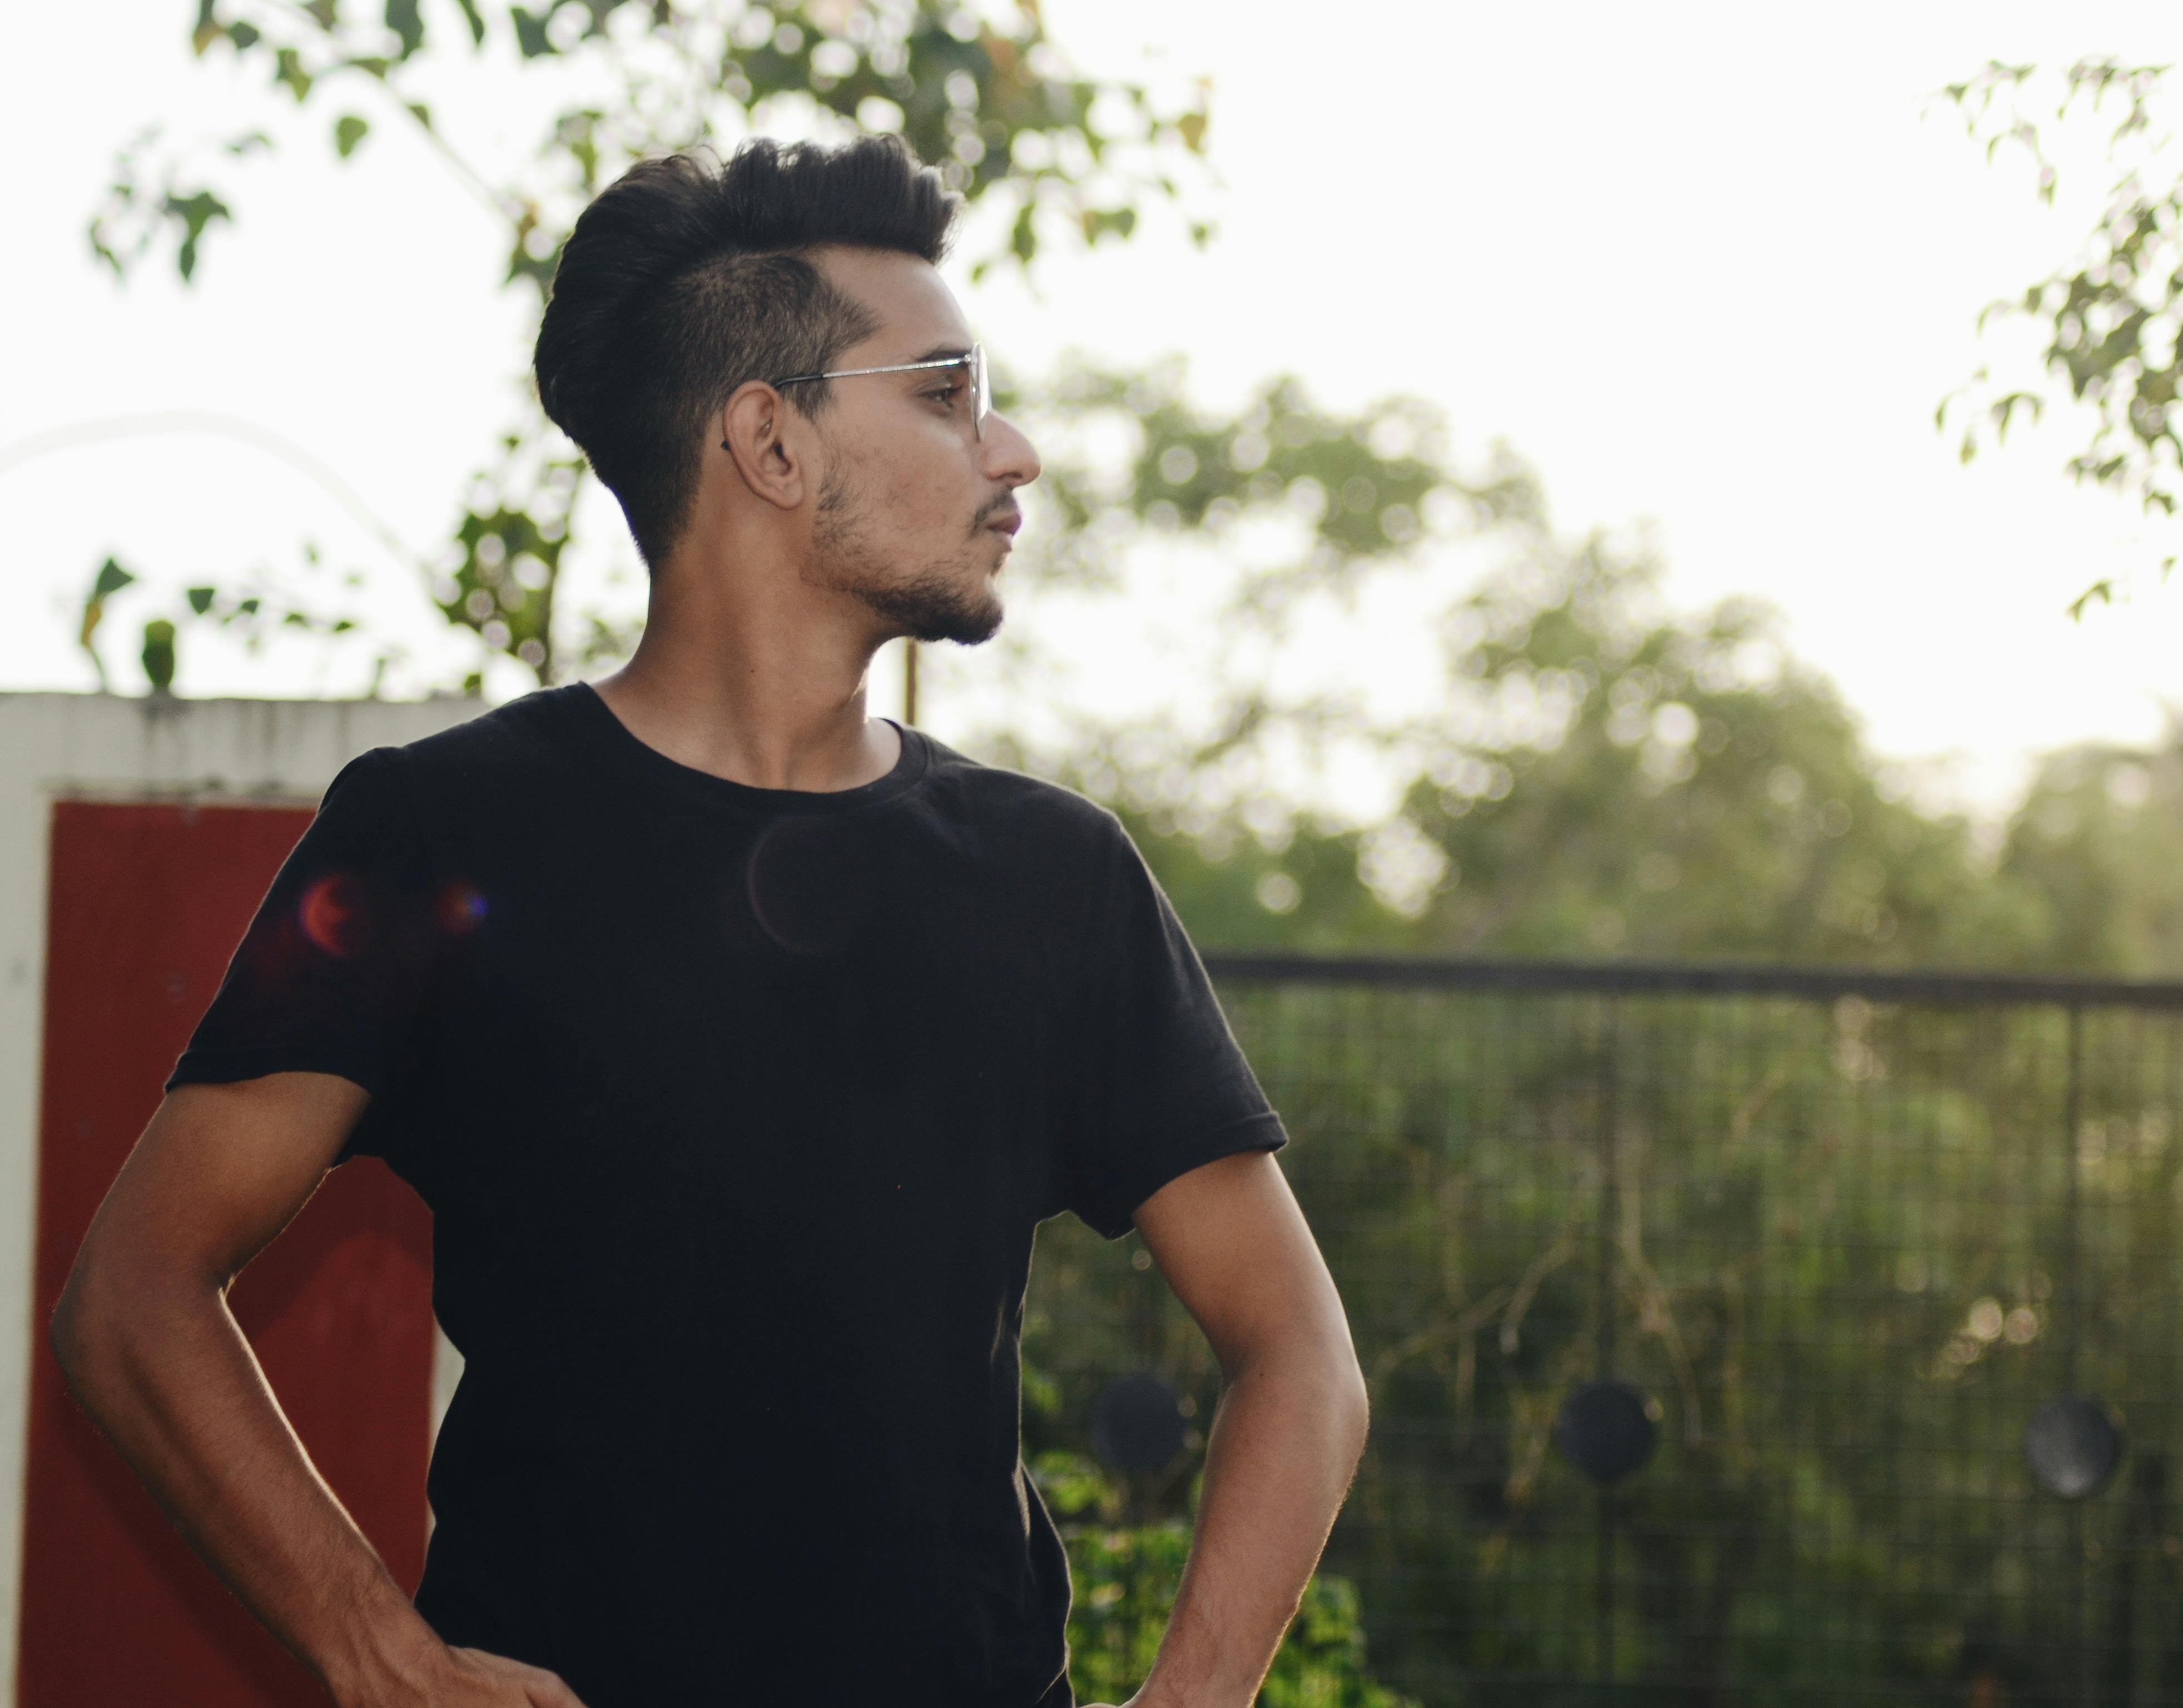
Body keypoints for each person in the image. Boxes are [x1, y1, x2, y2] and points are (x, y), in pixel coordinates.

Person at [48, 136, 1370, 1708]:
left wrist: (1194, 1696)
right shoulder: (435, 833)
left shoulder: (1055, 877)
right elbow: (132, 1295)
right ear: (770, 441)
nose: (1009, 449)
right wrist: (376, 1655)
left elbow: (1300, 1352)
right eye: (945, 392)